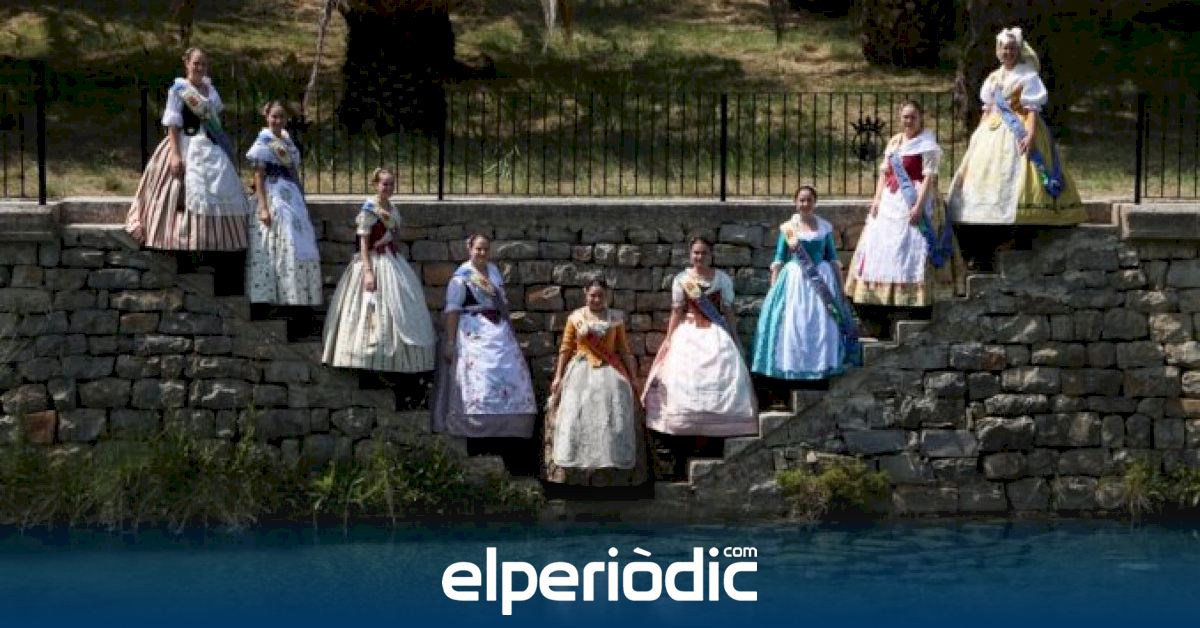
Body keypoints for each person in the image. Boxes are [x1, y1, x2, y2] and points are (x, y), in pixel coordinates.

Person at [946, 27, 1085, 267]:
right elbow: (988, 109)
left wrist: (1030, 135)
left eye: (1011, 48)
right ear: (998, 51)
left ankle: (1018, 233)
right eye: (1004, 48)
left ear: (1018, 51)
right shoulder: (993, 78)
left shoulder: (1027, 76)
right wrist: (977, 135)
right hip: (992, 132)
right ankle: (985, 239)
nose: (1007, 52)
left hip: (1018, 130)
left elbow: (1032, 110)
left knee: (1017, 179)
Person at [125, 47, 249, 251]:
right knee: (179, 190)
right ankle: (179, 239)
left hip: (209, 144)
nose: (200, 68)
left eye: (203, 64)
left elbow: (215, 122)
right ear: (187, 63)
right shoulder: (179, 90)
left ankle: (214, 240)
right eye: (196, 63)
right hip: (185, 142)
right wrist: (175, 154)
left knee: (219, 188)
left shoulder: (211, 90)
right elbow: (173, 124)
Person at [845, 101, 963, 309]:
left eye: (913, 117)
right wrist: (877, 199)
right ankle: (884, 298)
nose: (909, 121)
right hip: (890, 200)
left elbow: (929, 178)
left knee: (912, 246)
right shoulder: (894, 142)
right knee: (886, 246)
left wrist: (918, 206)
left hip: (916, 198)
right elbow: (885, 174)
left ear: (920, 118)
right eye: (905, 117)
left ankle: (914, 299)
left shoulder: (927, 143)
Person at [321, 168, 436, 372]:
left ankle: (401, 360)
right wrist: (368, 271)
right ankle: (364, 356)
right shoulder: (369, 210)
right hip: (372, 260)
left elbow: (395, 236)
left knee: (401, 305)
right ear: (375, 185)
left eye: (391, 184)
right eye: (384, 184)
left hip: (392, 260)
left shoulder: (393, 209)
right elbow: (363, 244)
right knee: (369, 306)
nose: (388, 188)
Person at [643, 236, 757, 438]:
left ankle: (717, 426)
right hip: (689, 331)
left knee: (721, 373)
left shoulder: (722, 279)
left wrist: (734, 336)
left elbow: (728, 310)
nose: (700, 256)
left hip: (716, 332)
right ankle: (685, 426)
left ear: (711, 255)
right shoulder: (682, 279)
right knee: (685, 375)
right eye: (696, 252)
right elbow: (677, 311)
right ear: (690, 254)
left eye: (704, 252)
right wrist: (669, 338)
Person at [752, 186, 862, 385]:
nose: (805, 204)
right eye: (801, 200)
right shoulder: (788, 229)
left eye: (809, 200)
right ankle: (796, 371)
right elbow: (779, 259)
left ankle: (821, 369)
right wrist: (773, 289)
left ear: (815, 202)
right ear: (796, 203)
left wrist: (840, 287)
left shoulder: (824, 228)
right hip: (795, 281)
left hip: (822, 280)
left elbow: (833, 258)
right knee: (795, 325)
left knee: (823, 324)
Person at [542, 279, 648, 486]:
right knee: (575, 409)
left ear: (606, 296)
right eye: (593, 295)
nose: (596, 299)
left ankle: (612, 464)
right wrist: (558, 376)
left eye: (600, 295)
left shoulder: (615, 319)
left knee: (617, 399)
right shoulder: (576, 318)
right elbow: (565, 348)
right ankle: (574, 469)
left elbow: (624, 349)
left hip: (609, 368)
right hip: (581, 368)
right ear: (586, 294)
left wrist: (633, 377)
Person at [431, 233, 537, 438]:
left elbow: (501, 302)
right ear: (470, 249)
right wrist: (451, 342)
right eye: (478, 249)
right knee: (480, 378)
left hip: (498, 327)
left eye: (485, 249)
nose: (482, 253)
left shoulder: (493, 271)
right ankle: (474, 428)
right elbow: (452, 310)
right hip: (473, 328)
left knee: (509, 372)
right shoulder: (461, 277)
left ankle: (510, 428)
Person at [245, 100, 322, 307]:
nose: (277, 121)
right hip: (272, 193)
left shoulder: (287, 141)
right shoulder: (263, 142)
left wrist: (302, 198)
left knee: (299, 241)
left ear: (286, 119)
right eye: (274, 116)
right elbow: (258, 176)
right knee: (281, 241)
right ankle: (274, 296)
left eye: (281, 117)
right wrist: (263, 208)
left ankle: (296, 295)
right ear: (267, 117)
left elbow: (293, 171)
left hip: (291, 194)